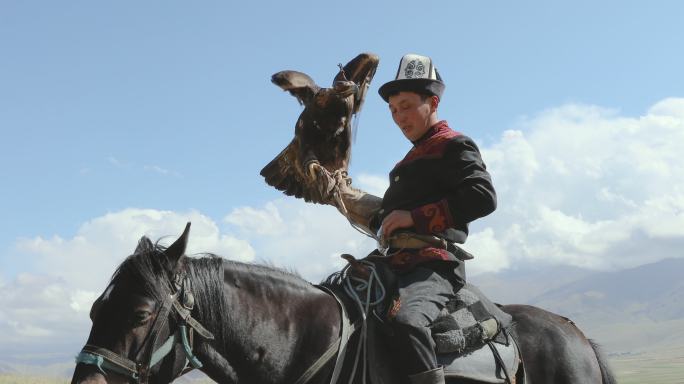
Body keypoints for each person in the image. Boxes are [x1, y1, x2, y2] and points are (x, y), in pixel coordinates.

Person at [325, 53, 497, 384]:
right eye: (392, 111)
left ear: (432, 103)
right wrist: (345, 199)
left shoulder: (454, 145)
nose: (399, 117)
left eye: (405, 106)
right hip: (391, 262)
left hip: (432, 264)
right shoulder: (407, 163)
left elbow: (483, 197)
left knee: (408, 322)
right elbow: (391, 220)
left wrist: (413, 217)